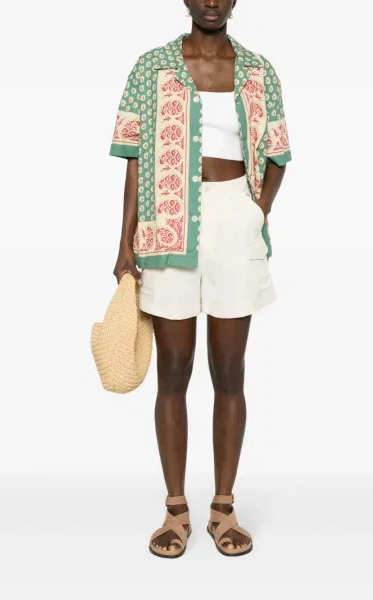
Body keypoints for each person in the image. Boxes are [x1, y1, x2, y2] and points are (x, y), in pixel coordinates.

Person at [109, 0, 291, 558]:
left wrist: (257, 211)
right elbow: (135, 158)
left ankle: (223, 509)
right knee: (173, 370)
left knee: (229, 370)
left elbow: (278, 153)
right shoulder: (151, 67)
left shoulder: (259, 71)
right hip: (167, 222)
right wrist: (124, 243)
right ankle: (175, 511)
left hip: (234, 221)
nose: (211, 0)